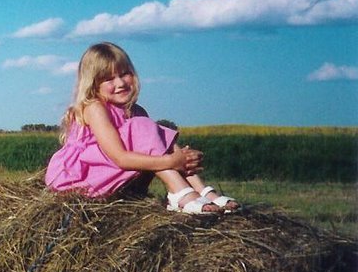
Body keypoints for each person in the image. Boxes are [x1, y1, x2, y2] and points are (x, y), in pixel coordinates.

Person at [45, 42, 239, 214]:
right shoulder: (94, 108)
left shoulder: (136, 111)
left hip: (112, 172)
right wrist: (172, 160)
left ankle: (201, 190)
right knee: (143, 127)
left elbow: (153, 146)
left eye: (124, 74)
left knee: (151, 128)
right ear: (93, 84)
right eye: (108, 79)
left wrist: (180, 158)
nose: (120, 83)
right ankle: (178, 191)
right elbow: (120, 158)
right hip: (80, 177)